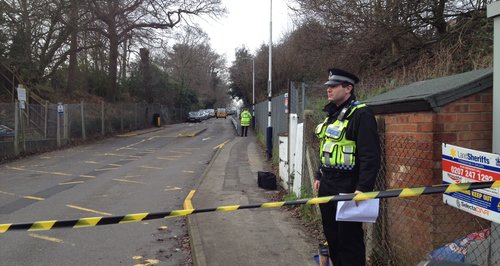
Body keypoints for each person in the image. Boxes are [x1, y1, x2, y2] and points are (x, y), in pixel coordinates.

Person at [314, 68, 381, 266]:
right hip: (327, 184)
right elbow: (326, 149)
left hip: (348, 187)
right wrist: (319, 175)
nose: (329, 90)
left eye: (334, 86)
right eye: (328, 86)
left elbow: (370, 156)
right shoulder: (332, 115)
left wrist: (363, 189)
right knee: (332, 237)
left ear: (348, 88)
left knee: (348, 240)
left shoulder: (361, 114)